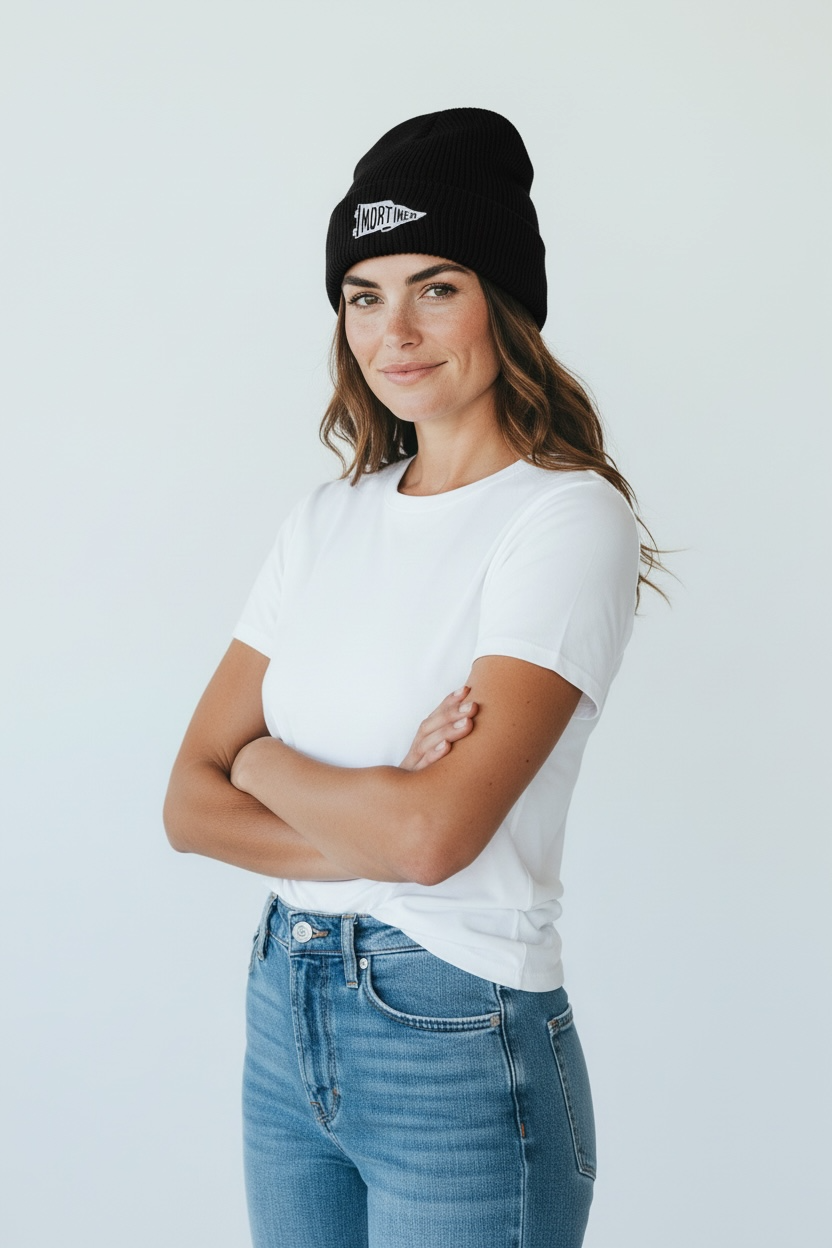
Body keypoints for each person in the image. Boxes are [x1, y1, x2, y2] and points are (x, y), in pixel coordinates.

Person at [163, 107, 663, 1248]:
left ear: (504, 304)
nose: (394, 331)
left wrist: (261, 760)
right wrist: (369, 817)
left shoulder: (563, 518)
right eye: (363, 295)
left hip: (452, 1021)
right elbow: (187, 805)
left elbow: (433, 839)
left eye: (436, 287)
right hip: (284, 1002)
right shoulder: (326, 518)